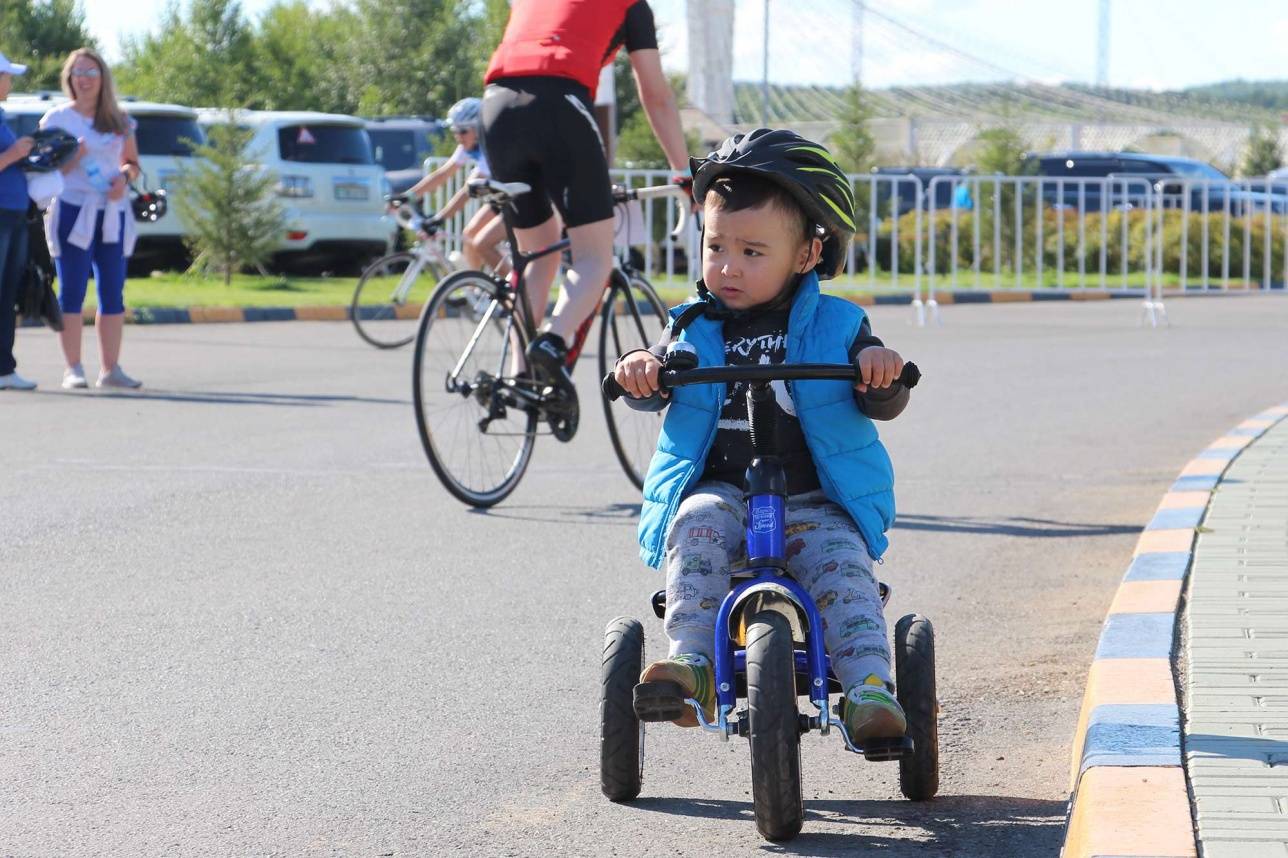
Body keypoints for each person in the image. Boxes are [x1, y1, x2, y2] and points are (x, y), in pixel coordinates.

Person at [612, 130, 913, 743]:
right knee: (694, 527)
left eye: (753, 252)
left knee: (843, 573)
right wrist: (643, 369)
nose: (728, 266)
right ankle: (691, 661)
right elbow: (662, 373)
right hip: (721, 491)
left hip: (812, 501)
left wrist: (880, 372)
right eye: (716, 246)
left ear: (806, 255)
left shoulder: (839, 325)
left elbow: (883, 390)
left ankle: (869, 690)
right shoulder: (693, 326)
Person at [481, 0, 690, 439]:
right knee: (595, 257)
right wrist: (683, 172)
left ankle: (524, 377)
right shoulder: (632, 5)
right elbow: (655, 93)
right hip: (559, 104)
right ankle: (552, 343)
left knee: (539, 253)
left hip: (494, 106)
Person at [40, 48, 142, 390]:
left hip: (112, 213)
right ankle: (73, 368)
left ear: (103, 79)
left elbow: (132, 163)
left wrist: (124, 179)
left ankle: (111, 369)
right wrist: (72, 156)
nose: (83, 79)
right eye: (76, 73)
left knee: (113, 291)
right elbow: (45, 170)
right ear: (68, 79)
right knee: (71, 291)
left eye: (90, 73)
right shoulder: (57, 119)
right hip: (72, 209)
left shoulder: (120, 119)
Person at [404, 97, 505, 273]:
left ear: (478, 127)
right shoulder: (470, 145)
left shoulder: (491, 146)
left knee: (480, 241)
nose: (458, 136)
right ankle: (475, 288)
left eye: (463, 131)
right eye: (455, 131)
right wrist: (408, 196)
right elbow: (443, 173)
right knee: (469, 236)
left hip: (520, 198)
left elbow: (468, 191)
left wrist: (440, 219)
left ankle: (515, 290)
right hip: (501, 197)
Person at [0, 51, 35, 391]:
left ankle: (4, 369)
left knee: (7, 294)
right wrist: (15, 154)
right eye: (7, 75)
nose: (10, 82)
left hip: (12, 213)